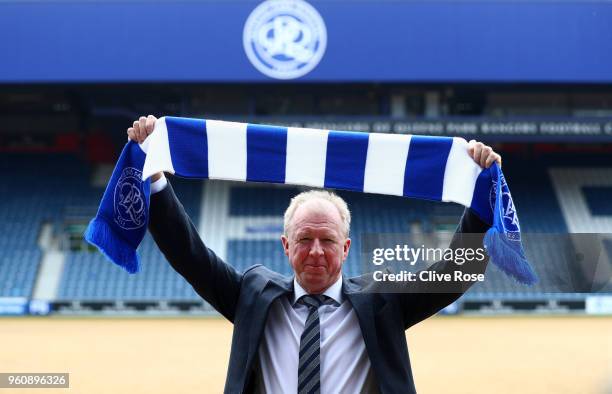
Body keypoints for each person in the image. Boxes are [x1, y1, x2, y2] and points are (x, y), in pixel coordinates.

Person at [128, 115, 502, 394]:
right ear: (286, 245)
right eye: (305, 239)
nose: (317, 251)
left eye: (328, 240)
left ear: (346, 247)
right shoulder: (252, 295)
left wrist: (482, 199)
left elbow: (453, 274)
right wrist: (155, 176)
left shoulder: (383, 302)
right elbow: (189, 255)